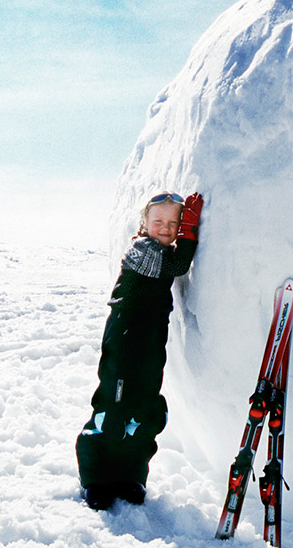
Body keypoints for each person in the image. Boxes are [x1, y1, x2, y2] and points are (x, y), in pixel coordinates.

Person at [77, 190, 203, 510]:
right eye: (158, 220)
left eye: (173, 223)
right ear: (144, 223)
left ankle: (130, 475)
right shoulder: (143, 251)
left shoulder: (157, 250)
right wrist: (190, 227)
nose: (165, 227)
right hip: (125, 343)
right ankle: (96, 477)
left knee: (144, 409)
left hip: (148, 345)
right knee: (114, 407)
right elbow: (178, 262)